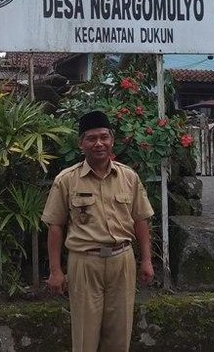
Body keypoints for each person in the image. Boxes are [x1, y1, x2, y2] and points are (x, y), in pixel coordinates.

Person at [42, 110, 155, 352]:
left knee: (119, 336)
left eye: (104, 137)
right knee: (85, 337)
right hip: (85, 263)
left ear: (112, 140)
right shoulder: (67, 180)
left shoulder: (129, 177)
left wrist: (146, 260)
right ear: (81, 143)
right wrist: (55, 271)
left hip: (122, 261)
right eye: (91, 138)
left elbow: (141, 219)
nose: (99, 143)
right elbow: (55, 226)